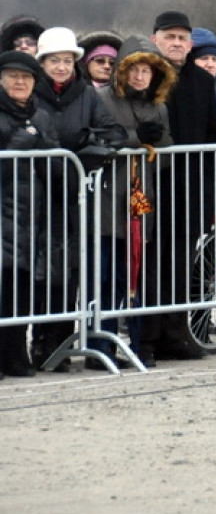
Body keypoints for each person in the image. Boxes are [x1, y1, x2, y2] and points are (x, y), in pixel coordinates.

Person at [31, 27, 126, 371]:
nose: (61, 67)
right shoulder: (32, 93)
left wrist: (88, 149)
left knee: (67, 271)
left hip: (73, 195)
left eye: (67, 60)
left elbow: (110, 131)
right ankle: (35, 342)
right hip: (35, 193)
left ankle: (56, 346)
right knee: (34, 273)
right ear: (42, 63)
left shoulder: (86, 94)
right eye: (54, 60)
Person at [145, 11, 216, 363]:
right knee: (150, 260)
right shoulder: (145, 74)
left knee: (180, 263)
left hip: (190, 186)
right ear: (156, 39)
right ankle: (146, 336)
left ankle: (176, 334)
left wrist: (207, 183)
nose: (176, 43)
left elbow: (213, 134)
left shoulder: (202, 80)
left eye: (182, 38)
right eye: (169, 36)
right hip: (151, 182)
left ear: (190, 44)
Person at [95, 36, 176, 368]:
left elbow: (168, 155)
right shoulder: (100, 99)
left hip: (141, 203)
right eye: (135, 70)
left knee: (138, 274)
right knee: (105, 277)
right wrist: (134, 140)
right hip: (106, 200)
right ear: (122, 72)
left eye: (147, 71)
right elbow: (97, 140)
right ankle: (101, 347)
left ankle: (141, 345)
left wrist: (159, 141)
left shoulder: (159, 107)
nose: (141, 77)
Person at [0, 51, 58, 377]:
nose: (20, 82)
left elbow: (55, 160)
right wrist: (19, 146)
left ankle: (15, 354)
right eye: (12, 76)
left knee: (21, 286)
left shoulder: (42, 116)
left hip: (31, 215)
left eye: (26, 77)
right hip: (3, 211)